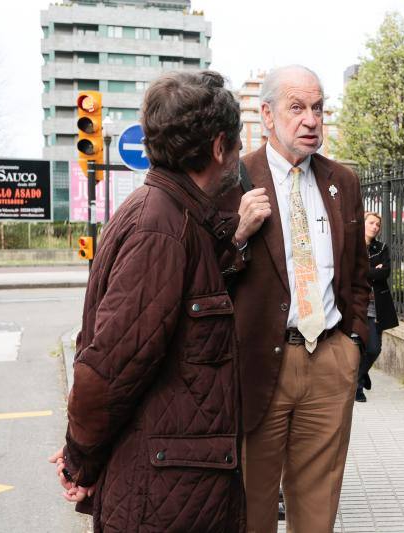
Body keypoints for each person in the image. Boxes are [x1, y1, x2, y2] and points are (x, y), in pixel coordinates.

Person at [48, 70, 270, 532]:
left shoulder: (176, 214)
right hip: (167, 499)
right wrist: (78, 460)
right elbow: (107, 369)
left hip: (175, 486)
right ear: (217, 148)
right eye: (234, 143)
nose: (238, 158)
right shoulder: (161, 228)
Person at [219, 65, 369, 533]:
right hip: (260, 364)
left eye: (319, 108)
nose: (311, 120)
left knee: (318, 509)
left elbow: (358, 273)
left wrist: (353, 343)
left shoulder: (342, 181)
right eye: (297, 108)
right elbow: (204, 275)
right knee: (252, 508)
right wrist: (239, 235)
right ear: (266, 114)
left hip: (329, 359)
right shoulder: (233, 179)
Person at [356, 211, 399, 402]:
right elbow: (354, 272)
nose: (375, 227)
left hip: (377, 306)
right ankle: (357, 386)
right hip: (357, 304)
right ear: (363, 224)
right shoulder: (354, 247)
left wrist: (367, 271)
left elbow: (385, 273)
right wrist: (373, 270)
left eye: (378, 225)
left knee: (374, 348)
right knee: (361, 347)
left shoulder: (381, 248)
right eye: (371, 223)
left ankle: (360, 375)